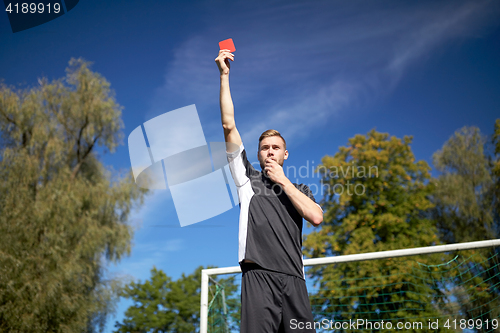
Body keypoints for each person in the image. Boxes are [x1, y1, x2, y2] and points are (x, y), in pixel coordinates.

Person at [215, 48, 324, 333]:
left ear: (285, 154)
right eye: (265, 148)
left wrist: (284, 183)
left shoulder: (300, 189)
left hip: (295, 281)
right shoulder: (246, 179)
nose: (270, 152)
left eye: (276, 148)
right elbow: (229, 126)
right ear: (259, 154)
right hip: (258, 277)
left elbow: (315, 217)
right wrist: (225, 76)